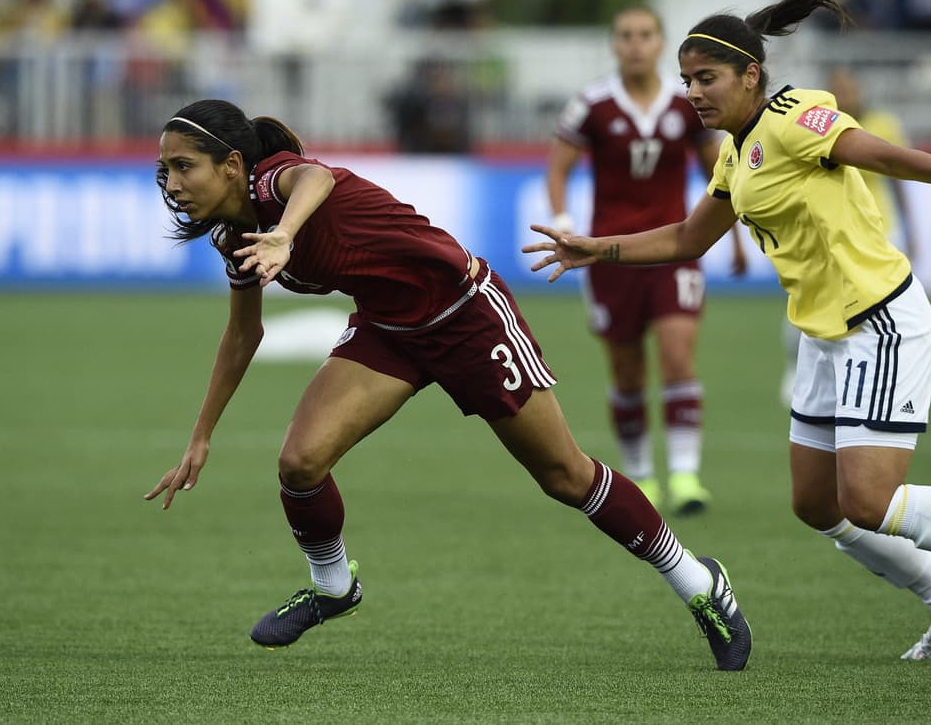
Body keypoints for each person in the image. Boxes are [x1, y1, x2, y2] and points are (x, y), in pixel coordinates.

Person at [525, 0, 931, 661]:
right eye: (687, 81)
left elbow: (872, 152)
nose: (694, 93)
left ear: (751, 75)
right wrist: (597, 246)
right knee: (817, 504)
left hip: (879, 318)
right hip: (823, 334)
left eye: (707, 79)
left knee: (869, 497)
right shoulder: (735, 151)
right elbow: (687, 238)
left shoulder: (794, 115)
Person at [143, 99, 752, 670]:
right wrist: (201, 436)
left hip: (465, 314)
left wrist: (286, 233)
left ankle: (701, 586)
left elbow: (317, 179)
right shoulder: (233, 236)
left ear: (231, 165)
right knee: (300, 463)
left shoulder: (274, 178)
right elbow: (242, 335)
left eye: (183, 166)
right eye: (164, 169)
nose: (171, 182)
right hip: (388, 330)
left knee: (566, 477)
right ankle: (333, 587)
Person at [546, 2, 744, 515]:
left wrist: (737, 236)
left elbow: (716, 172)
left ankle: (685, 476)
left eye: (645, 35)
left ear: (660, 43)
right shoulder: (592, 103)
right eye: (626, 35)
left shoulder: (688, 103)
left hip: (674, 250)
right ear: (615, 45)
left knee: (678, 354)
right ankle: (640, 478)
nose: (635, 44)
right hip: (608, 255)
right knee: (628, 372)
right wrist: (565, 223)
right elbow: (558, 167)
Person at [779, 67, 931, 411]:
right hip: (831, 236)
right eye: (838, 90)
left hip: (879, 230)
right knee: (808, 303)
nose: (845, 96)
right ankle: (794, 372)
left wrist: (911, 230)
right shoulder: (814, 129)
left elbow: (896, 177)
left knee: (912, 306)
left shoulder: (882, 124)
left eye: (849, 89)